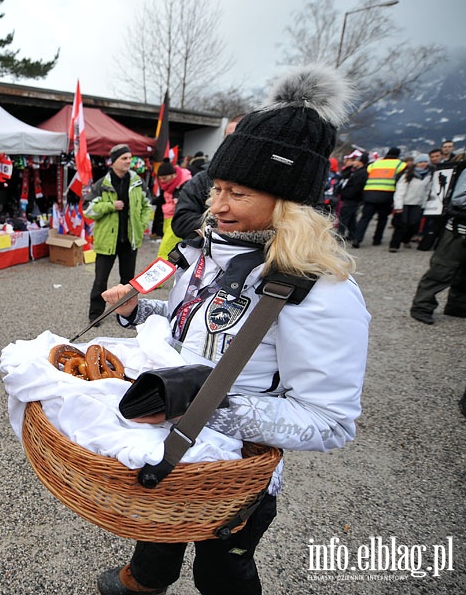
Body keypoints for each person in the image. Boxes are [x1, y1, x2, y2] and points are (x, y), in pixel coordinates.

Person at [95, 65, 370, 595]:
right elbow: (189, 334)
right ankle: (146, 581)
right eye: (216, 187)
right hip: (171, 449)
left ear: (287, 203)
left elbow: (331, 421)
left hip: (235, 474)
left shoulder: (321, 291)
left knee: (223, 570)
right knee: (157, 527)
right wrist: (137, 312)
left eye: (238, 193)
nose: (216, 206)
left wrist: (208, 405)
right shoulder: (205, 252)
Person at [84, 144, 154, 324]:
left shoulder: (138, 182)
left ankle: (126, 313)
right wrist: (110, 206)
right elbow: (88, 209)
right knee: (100, 280)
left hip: (129, 241)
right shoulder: (102, 184)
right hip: (107, 240)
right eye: (124, 158)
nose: (128, 161)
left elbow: (148, 205)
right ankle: (95, 315)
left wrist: (142, 223)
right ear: (113, 161)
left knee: (128, 281)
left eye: (130, 158)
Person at [410, 156, 466, 324]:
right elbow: (459, 199)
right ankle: (422, 306)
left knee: (464, 272)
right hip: (458, 230)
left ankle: (458, 306)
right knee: (442, 269)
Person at [171, 114, 244, 239]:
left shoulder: (269, 183)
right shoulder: (203, 178)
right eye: (228, 137)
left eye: (240, 137)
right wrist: (220, 224)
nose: (232, 143)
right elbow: (181, 222)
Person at [351, 146, 407, 248]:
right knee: (382, 219)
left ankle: (357, 239)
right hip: (387, 194)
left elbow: (368, 171)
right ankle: (377, 239)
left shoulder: (376, 163)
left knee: (365, 218)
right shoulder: (400, 164)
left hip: (370, 193)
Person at [389, 153, 431, 252]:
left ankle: (406, 239)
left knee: (414, 225)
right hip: (405, 202)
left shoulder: (429, 175)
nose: (423, 164)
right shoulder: (408, 174)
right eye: (420, 162)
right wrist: (398, 205)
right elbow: (400, 190)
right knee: (401, 225)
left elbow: (427, 191)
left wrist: (424, 204)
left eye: (425, 162)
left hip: (418, 203)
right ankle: (394, 245)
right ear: (416, 163)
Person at [152, 159, 190, 258]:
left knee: (164, 252)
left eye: (164, 178)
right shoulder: (168, 185)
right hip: (167, 219)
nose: (162, 181)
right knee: (171, 250)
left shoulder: (185, 185)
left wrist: (179, 202)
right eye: (160, 179)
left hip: (177, 220)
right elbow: (161, 200)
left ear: (173, 175)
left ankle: (160, 272)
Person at [336, 152, 369, 241]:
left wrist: (346, 193)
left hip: (352, 198)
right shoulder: (356, 171)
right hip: (351, 197)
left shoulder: (362, 173)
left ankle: (340, 234)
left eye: (355, 161)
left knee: (344, 216)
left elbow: (356, 187)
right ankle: (352, 234)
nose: (354, 162)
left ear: (360, 162)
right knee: (351, 217)